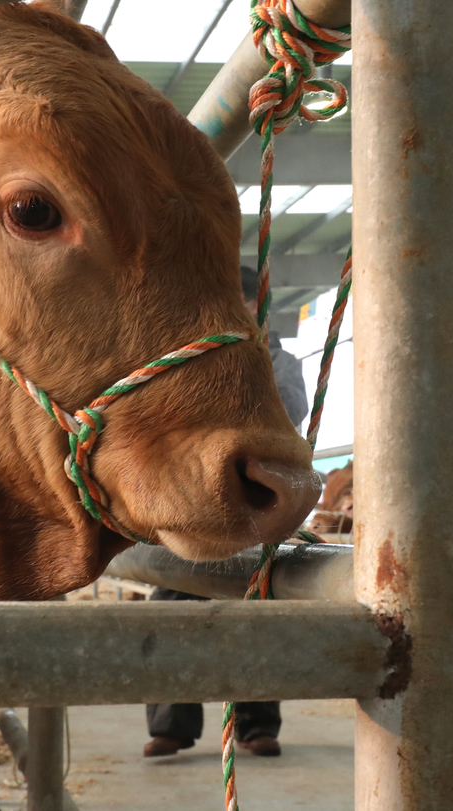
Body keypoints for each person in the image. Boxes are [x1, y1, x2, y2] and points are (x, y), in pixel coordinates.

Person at [143, 266, 309, 759]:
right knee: (173, 598)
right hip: (195, 499)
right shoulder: (185, 355)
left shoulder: (282, 362)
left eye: (244, 303)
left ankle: (256, 725)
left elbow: (287, 414)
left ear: (259, 308)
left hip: (257, 503)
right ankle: (172, 723)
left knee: (256, 608)